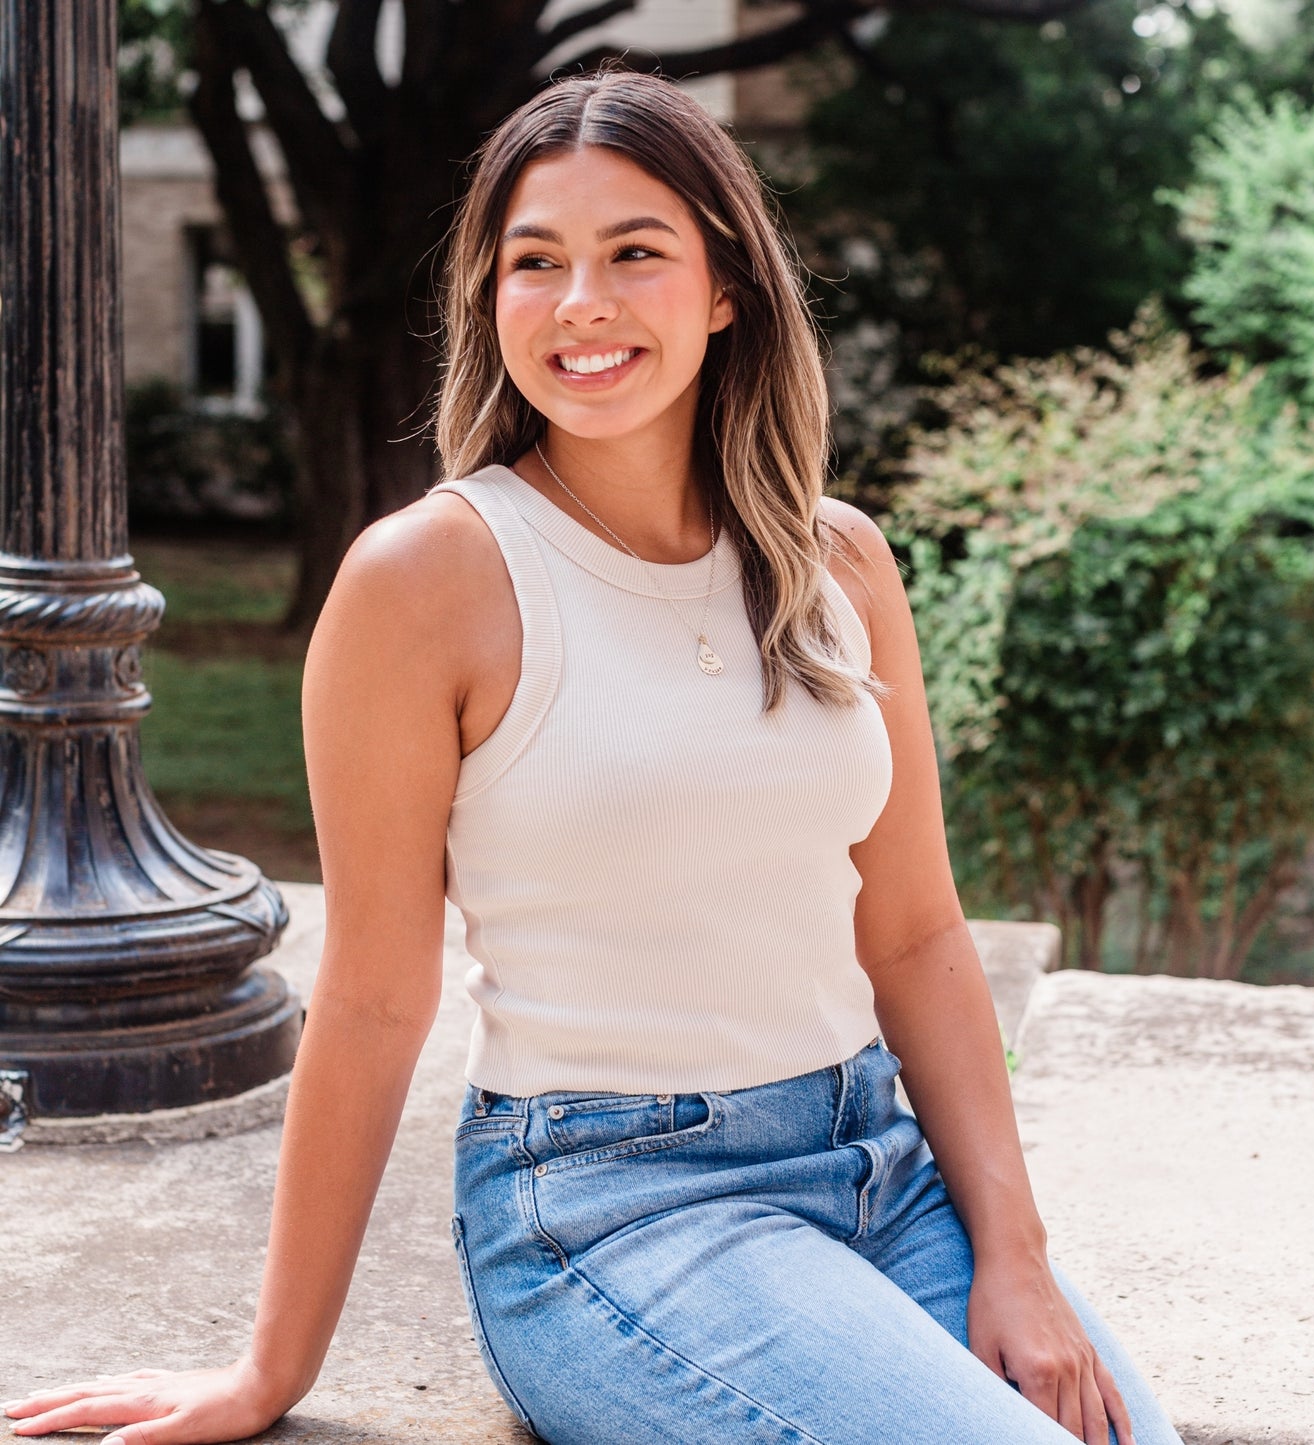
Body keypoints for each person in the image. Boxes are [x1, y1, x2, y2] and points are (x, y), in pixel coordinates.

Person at [2, 71, 1185, 1445]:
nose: (581, 304)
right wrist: (273, 1367)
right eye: (535, 263)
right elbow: (377, 997)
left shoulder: (840, 564)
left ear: (727, 287)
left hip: (879, 1165)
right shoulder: (429, 581)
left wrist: (1015, 1253)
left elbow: (916, 931)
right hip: (612, 1209)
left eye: (635, 253)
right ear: (489, 300)